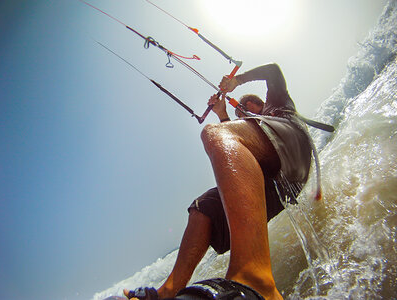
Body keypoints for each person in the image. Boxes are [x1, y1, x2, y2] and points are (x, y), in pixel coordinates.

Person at [124, 63, 312, 300]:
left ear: (259, 104)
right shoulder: (248, 131)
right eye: (238, 112)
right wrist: (222, 112)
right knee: (204, 206)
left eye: (245, 107)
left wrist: (237, 81)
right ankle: (168, 290)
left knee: (213, 132)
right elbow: (237, 151)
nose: (240, 113)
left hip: (294, 150)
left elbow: (273, 71)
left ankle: (254, 277)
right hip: (275, 185)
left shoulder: (277, 103)